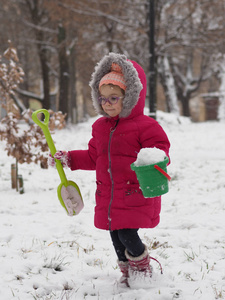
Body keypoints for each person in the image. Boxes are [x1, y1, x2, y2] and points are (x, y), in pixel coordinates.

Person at [49, 53, 170, 287]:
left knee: (127, 234)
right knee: (115, 235)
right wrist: (70, 158)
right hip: (110, 195)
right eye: (103, 99)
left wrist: (151, 160)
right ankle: (127, 272)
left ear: (131, 97)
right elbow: (94, 157)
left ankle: (142, 269)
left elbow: (161, 151)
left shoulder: (146, 126)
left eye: (114, 98)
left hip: (134, 192)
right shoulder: (100, 127)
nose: (107, 104)